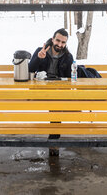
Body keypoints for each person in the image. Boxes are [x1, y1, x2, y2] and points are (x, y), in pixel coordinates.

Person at [28, 28, 73, 156]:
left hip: (58, 91)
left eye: (63, 42)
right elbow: (30, 70)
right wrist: (38, 58)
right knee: (56, 106)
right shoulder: (41, 51)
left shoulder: (68, 57)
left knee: (56, 106)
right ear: (53, 39)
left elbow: (69, 79)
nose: (59, 44)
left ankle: (53, 140)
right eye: (57, 40)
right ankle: (53, 141)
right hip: (41, 89)